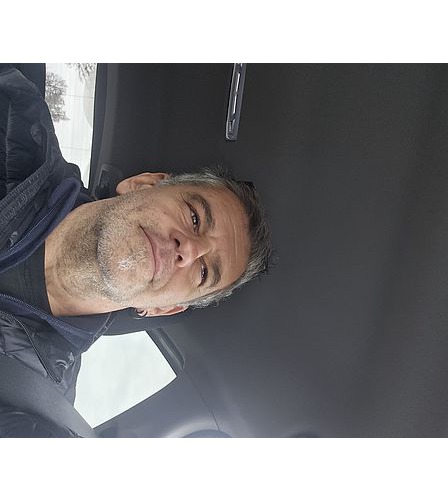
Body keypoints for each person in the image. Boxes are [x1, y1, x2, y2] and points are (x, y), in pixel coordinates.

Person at [0, 64, 271, 403]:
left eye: (204, 272)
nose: (189, 250)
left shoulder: (34, 403)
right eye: (194, 217)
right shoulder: (13, 115)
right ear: (141, 185)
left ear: (165, 309)